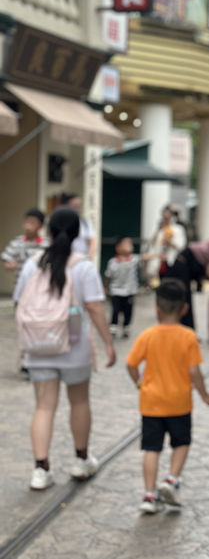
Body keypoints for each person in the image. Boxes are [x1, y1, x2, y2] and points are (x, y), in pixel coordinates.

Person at [14, 207, 116, 491]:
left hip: (38, 345)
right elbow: (94, 307)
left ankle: (40, 469)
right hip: (73, 346)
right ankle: (81, 460)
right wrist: (108, 342)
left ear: (47, 232)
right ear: (77, 234)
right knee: (79, 402)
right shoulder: (83, 266)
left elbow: (19, 301)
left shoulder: (32, 264)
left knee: (44, 406)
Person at [126, 279, 209, 513]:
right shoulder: (188, 337)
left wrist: (138, 382)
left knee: (151, 448)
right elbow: (194, 371)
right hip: (179, 403)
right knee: (182, 442)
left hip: (151, 403)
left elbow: (131, 363)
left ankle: (148, 494)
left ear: (157, 309)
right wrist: (205, 395)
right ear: (184, 309)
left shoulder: (148, 335)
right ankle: (172, 479)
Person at [163, 238, 209, 331]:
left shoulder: (200, 248)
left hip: (177, 271)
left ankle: (181, 328)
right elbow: (205, 272)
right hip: (181, 275)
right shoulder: (206, 254)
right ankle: (186, 329)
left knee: (182, 301)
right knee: (185, 301)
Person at [104, 236, 145, 339]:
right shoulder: (113, 262)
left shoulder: (134, 259)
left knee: (128, 311)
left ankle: (126, 328)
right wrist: (105, 289)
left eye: (130, 244)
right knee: (115, 311)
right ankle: (113, 329)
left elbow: (145, 257)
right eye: (127, 244)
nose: (130, 246)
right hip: (116, 292)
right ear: (118, 248)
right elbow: (107, 276)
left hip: (130, 292)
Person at [2, 207, 48, 284]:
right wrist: (9, 265)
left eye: (32, 223)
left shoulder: (46, 244)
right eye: (27, 222)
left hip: (40, 284)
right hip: (21, 283)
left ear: (41, 226)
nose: (28, 226)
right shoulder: (17, 243)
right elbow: (6, 259)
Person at [145, 205, 188, 285]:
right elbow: (152, 243)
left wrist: (170, 242)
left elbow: (181, 245)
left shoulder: (178, 229)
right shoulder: (159, 229)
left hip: (173, 260)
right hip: (160, 261)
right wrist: (158, 230)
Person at [60, 193, 96, 259]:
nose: (77, 208)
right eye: (75, 205)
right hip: (65, 259)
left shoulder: (85, 223)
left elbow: (92, 242)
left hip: (82, 259)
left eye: (78, 206)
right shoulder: (61, 222)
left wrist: (89, 257)